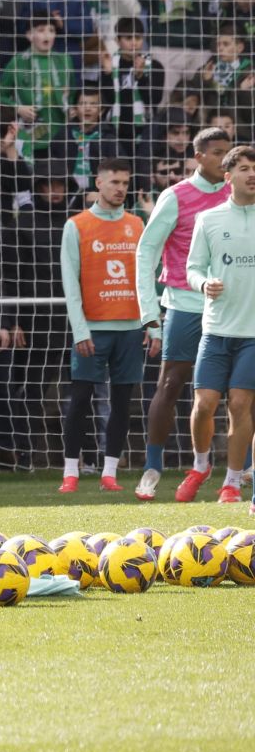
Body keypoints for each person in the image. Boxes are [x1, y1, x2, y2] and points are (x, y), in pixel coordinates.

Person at [133, 127, 232, 500]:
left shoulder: (238, 195)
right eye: (217, 153)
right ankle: (153, 467)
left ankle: (238, 469)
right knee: (171, 385)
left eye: (228, 152)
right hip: (184, 304)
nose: (225, 160)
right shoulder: (174, 197)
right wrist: (149, 312)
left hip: (231, 307)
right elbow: (146, 252)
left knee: (239, 391)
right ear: (197, 157)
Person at [57, 159, 154, 495]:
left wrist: (151, 324)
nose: (120, 189)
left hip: (129, 327)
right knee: (80, 398)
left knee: (123, 400)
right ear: (98, 183)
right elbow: (70, 283)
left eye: (125, 183)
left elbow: (146, 280)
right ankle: (70, 472)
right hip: (93, 328)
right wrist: (79, 329)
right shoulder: (77, 225)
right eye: (114, 182)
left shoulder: (136, 224)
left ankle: (109, 472)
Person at [177, 143, 255, 505]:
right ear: (228, 178)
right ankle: (201, 464)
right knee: (204, 404)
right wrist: (202, 283)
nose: (252, 174)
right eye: (243, 168)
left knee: (240, 405)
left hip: (252, 335)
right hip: (216, 330)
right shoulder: (209, 220)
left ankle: (233, 482)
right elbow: (192, 268)